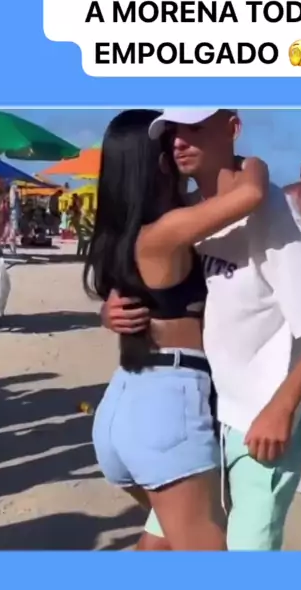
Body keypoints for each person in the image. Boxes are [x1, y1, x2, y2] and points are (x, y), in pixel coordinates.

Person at [102, 108, 301, 551]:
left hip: (259, 424)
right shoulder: (192, 214)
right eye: (173, 132)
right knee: (156, 547)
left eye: (195, 128)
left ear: (233, 128)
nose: (179, 141)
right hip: (200, 414)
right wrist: (112, 309)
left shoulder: (270, 210)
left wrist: (282, 406)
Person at [85, 109, 271, 551]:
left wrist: (106, 314)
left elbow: (136, 296)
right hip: (168, 408)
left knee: (161, 544)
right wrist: (253, 161)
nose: (180, 145)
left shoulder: (120, 233)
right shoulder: (168, 230)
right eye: (171, 141)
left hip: (123, 403)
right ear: (158, 161)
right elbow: (251, 194)